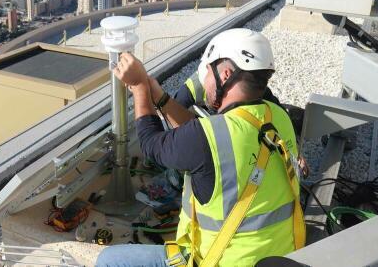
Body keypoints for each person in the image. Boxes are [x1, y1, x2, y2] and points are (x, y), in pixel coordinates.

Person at [96, 29, 306, 267]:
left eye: (207, 72)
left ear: (225, 74)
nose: (205, 82)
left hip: (219, 260)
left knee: (109, 260)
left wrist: (139, 87)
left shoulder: (208, 138)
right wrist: (160, 97)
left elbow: (151, 145)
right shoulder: (278, 117)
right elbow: (205, 136)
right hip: (279, 254)